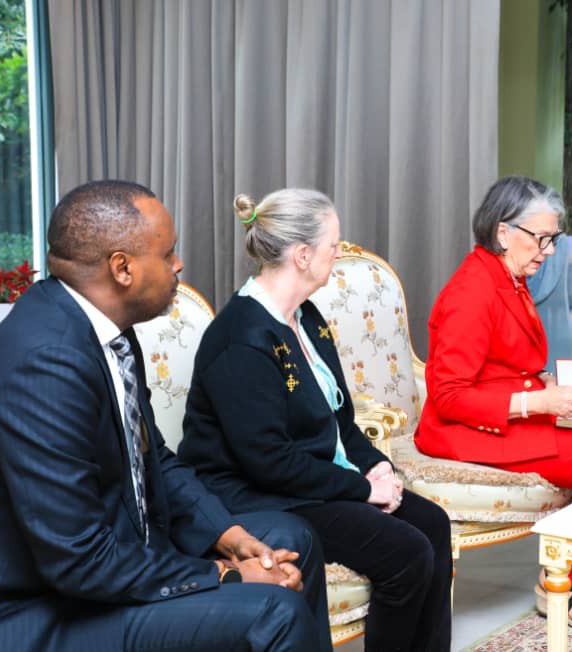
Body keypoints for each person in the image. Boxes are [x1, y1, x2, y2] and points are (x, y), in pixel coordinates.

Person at [0, 180, 328, 652]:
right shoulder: (45, 364)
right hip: (33, 611)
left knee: (293, 537)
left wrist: (229, 536)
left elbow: (154, 459)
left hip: (116, 549)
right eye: (168, 253)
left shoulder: (107, 329)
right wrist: (225, 574)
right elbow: (79, 559)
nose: (178, 265)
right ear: (122, 268)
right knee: (273, 614)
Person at [178, 188, 452, 652]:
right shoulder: (241, 338)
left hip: (310, 477)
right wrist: (362, 489)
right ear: (302, 255)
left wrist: (376, 466)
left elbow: (340, 418)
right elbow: (268, 461)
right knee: (405, 553)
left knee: (433, 523)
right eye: (333, 244)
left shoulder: (306, 317)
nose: (340, 254)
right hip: (258, 494)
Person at [413, 175, 572, 633]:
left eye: (553, 239)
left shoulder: (505, 276)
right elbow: (449, 396)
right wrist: (538, 401)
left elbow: (501, 364)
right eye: (541, 238)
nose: (548, 250)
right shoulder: (473, 290)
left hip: (510, 414)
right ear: (503, 232)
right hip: (469, 432)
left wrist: (547, 384)